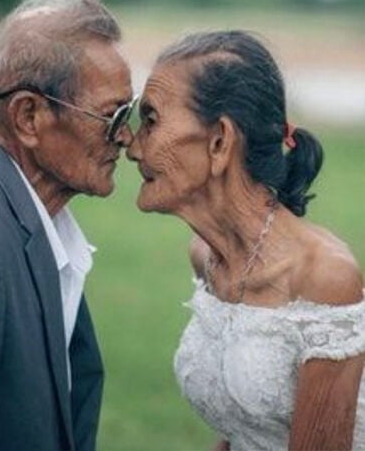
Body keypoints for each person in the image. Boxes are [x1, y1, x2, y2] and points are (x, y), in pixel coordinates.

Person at [126, 30, 365, 450]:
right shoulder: (207, 258)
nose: (131, 144)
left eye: (150, 120)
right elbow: (243, 426)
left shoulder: (325, 279)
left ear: (220, 141)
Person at [0, 0, 137, 451]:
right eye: (112, 117)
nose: (126, 138)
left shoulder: (39, 225)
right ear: (28, 118)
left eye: (130, 114)